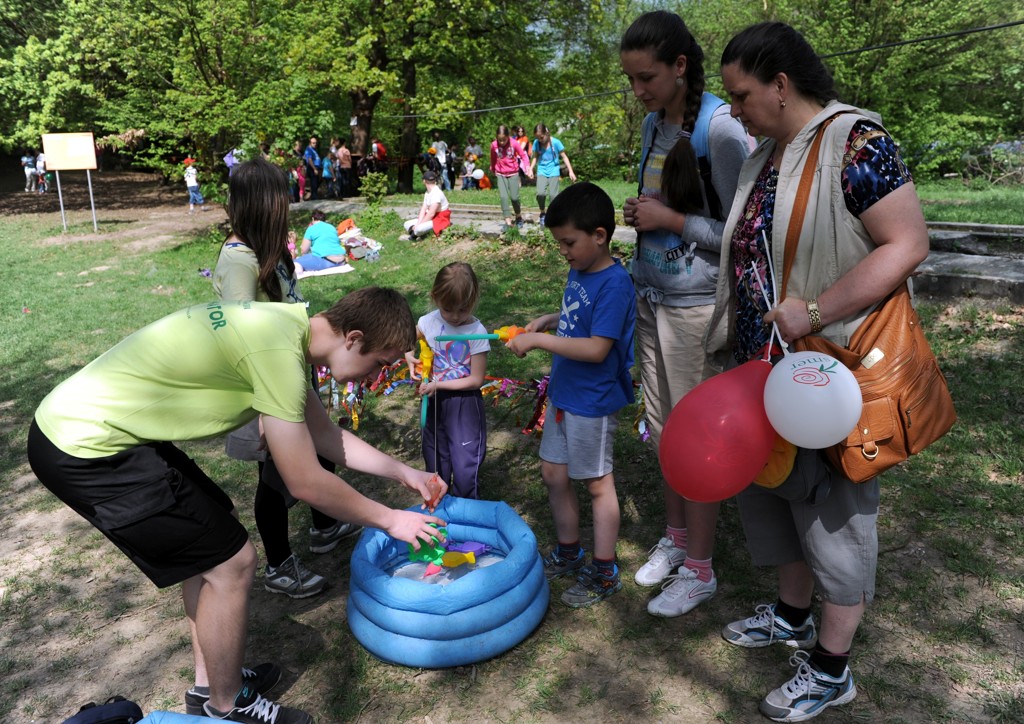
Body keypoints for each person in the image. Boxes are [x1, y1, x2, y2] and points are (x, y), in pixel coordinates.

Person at [27, 282, 449, 723]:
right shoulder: (277, 357)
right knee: (233, 563)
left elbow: (325, 436)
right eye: (377, 364)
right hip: (85, 447)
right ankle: (230, 706)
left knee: (216, 537)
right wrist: (390, 520)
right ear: (353, 338)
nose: (373, 377)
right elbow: (305, 481)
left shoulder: (285, 329)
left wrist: (406, 473)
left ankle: (210, 685)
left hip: (100, 428)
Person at [707, 22, 931, 722]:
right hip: (766, 370)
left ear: (781, 83)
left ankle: (832, 670)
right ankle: (791, 615)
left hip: (828, 375)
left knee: (833, 517)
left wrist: (818, 309)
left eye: (741, 94)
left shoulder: (858, 143)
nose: (733, 110)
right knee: (776, 491)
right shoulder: (770, 152)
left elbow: (908, 243)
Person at [619, 10, 751, 618]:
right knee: (664, 430)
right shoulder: (652, 125)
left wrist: (671, 222)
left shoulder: (721, 131)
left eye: (647, 77)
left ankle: (700, 568)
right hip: (652, 301)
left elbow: (745, 231)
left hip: (697, 310)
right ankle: (675, 542)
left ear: (680, 66)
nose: (639, 90)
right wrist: (642, 214)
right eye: (631, 80)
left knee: (696, 439)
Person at [213, 158, 358, 603]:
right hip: (265, 389)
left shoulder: (269, 252)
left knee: (317, 446)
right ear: (265, 205)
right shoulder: (238, 261)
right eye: (283, 199)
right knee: (275, 478)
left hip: (293, 374)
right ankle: (278, 564)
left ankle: (325, 524)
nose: (290, 205)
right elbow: (242, 334)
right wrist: (261, 412)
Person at [507, 182, 636, 608]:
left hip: (592, 402)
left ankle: (603, 570)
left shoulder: (616, 284)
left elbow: (598, 347)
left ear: (599, 236)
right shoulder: (580, 269)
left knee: (598, 484)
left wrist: (541, 343)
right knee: (553, 473)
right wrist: (551, 317)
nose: (563, 251)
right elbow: (579, 316)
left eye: (568, 242)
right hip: (565, 394)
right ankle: (568, 551)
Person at [405, 263, 489, 499]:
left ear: (473, 301)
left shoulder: (476, 332)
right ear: (435, 298)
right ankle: (439, 504)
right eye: (447, 309)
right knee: (435, 454)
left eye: (462, 310)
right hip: (434, 402)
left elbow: (476, 380)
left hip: (464, 402)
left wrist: (437, 385)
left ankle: (466, 507)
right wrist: (409, 356)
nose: (454, 317)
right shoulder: (428, 322)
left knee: (465, 461)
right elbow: (409, 340)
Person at [530, 124, 577, 225]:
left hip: (554, 170)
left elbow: (564, 157)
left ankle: (552, 216)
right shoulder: (536, 143)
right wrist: (531, 168)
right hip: (542, 170)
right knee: (540, 194)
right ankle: (542, 212)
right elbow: (535, 157)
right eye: (537, 138)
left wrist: (571, 171)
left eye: (541, 137)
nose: (540, 139)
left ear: (547, 133)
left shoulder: (556, 142)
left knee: (553, 195)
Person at [490, 124, 533, 229]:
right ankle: (508, 221)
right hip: (500, 174)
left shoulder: (514, 143)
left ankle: (518, 216)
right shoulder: (494, 145)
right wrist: (493, 168)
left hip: (513, 173)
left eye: (504, 140)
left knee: (514, 198)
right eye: (499, 140)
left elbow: (523, 155)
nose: (501, 142)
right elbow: (493, 157)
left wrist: (527, 167)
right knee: (503, 197)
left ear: (508, 136)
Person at [294, 209, 354, 277]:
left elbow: (303, 250)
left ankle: (298, 273)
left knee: (295, 262)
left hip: (326, 261)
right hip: (341, 260)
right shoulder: (332, 227)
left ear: (313, 219)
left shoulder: (311, 229)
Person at [400, 170, 451, 241]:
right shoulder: (428, 192)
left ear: (424, 181)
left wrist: (418, 225)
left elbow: (431, 213)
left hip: (439, 219)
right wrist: (418, 223)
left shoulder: (436, 193)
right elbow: (423, 209)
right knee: (407, 223)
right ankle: (419, 234)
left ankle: (412, 237)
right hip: (431, 218)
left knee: (419, 228)